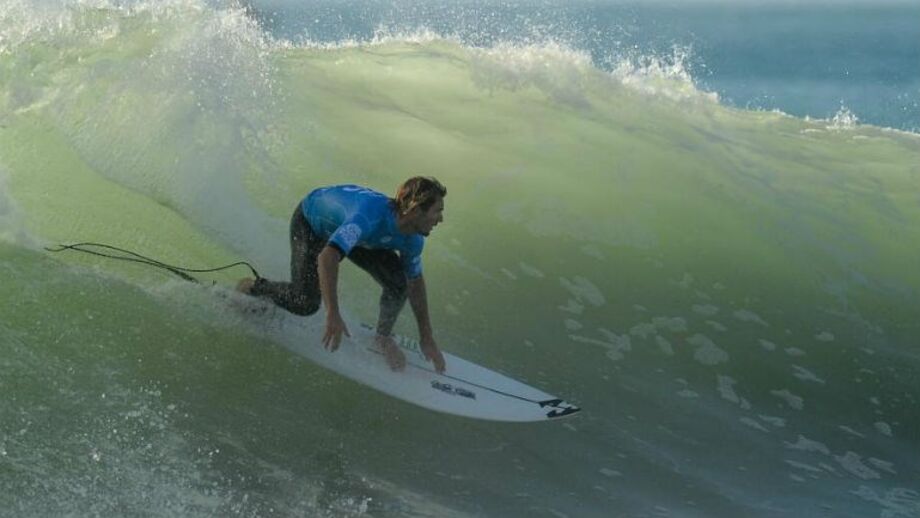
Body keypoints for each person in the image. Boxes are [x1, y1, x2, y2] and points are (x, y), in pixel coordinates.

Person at [237, 177, 447, 373]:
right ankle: (252, 287)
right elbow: (327, 257)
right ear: (415, 210)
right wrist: (333, 313)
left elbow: (414, 282)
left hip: (360, 237)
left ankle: (382, 337)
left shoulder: (413, 238)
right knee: (305, 302)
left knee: (399, 284)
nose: (441, 219)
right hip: (312, 224)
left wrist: (426, 337)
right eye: (437, 211)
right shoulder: (367, 218)